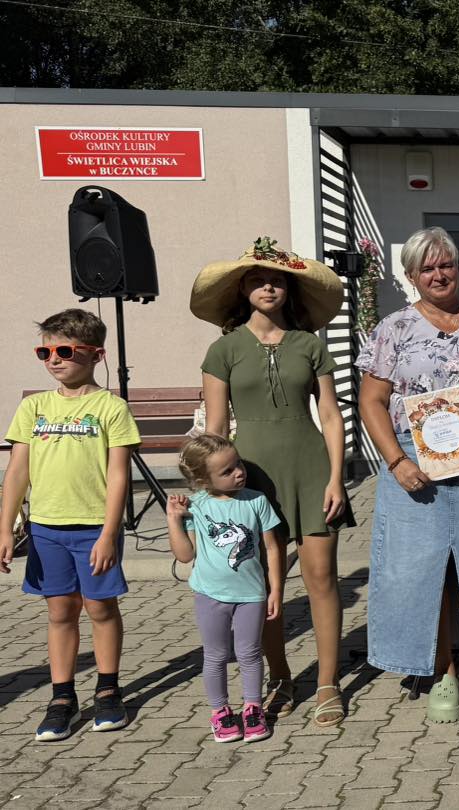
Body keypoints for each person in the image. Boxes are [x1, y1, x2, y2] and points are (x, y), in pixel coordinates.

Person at [357, 226, 459, 723]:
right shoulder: (394, 328)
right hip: (413, 460)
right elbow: (371, 401)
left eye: (445, 264)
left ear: (457, 267)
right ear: (411, 276)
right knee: (420, 570)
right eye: (427, 268)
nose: (439, 274)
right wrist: (396, 461)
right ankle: (441, 669)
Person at [192, 237, 353, 728]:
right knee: (261, 584)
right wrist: (214, 492)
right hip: (250, 477)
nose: (268, 287)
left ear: (288, 289)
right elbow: (216, 427)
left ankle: (327, 683)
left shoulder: (310, 345)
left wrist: (337, 478)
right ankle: (280, 677)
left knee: (321, 579)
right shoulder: (223, 350)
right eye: (258, 280)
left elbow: (330, 415)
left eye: (277, 280)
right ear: (243, 290)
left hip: (311, 470)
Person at [0, 309, 139, 741]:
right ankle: (62, 697)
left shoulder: (111, 407)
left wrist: (109, 534)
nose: (54, 360)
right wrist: (5, 528)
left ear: (96, 355)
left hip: (94, 527)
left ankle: (108, 690)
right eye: (45, 352)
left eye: (64, 350)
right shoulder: (33, 407)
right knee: (60, 610)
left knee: (100, 608)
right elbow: (17, 471)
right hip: (46, 529)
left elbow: (119, 474)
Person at [165, 433, 284, 743]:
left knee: (250, 653)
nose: (239, 472)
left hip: (251, 594)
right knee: (216, 655)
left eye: (238, 464)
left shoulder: (256, 501)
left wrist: (275, 590)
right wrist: (174, 520)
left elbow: (272, 549)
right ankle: (220, 712)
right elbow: (185, 555)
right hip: (209, 594)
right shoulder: (197, 506)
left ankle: (253, 709)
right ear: (203, 479)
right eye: (227, 471)